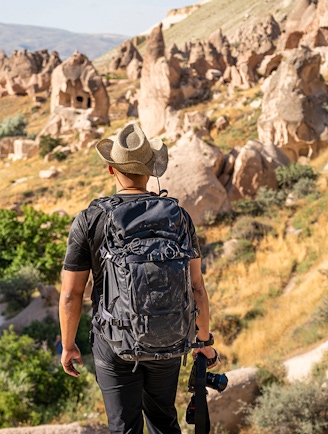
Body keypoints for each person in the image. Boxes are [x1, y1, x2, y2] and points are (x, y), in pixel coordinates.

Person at [59, 122, 217, 434]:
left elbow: (70, 294)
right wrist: (204, 342)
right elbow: (197, 286)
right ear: (150, 171)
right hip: (169, 338)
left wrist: (68, 345)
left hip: (113, 342)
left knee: (124, 428)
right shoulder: (179, 217)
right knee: (163, 422)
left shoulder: (91, 218)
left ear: (110, 169)